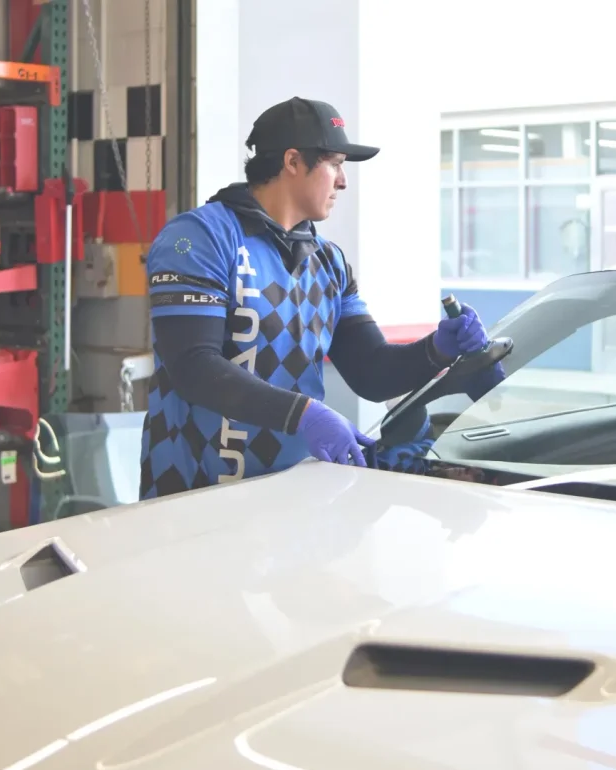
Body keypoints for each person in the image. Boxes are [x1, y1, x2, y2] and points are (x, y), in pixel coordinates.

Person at [138, 95, 494, 500]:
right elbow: (193, 367)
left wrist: (438, 349)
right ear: (292, 161)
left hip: (292, 499)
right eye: (335, 164)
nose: (343, 181)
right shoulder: (199, 238)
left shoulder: (329, 262)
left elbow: (372, 372)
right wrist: (304, 414)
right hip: (190, 498)